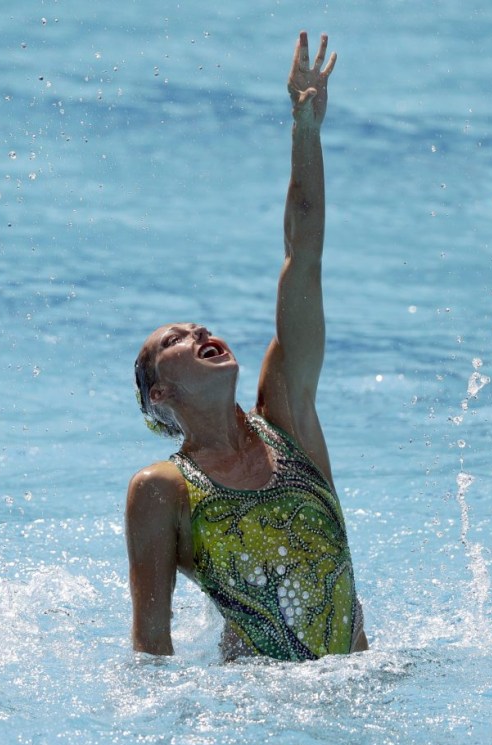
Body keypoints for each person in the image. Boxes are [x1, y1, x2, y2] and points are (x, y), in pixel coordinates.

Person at [127, 32, 368, 661]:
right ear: (163, 392)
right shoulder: (162, 490)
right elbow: (152, 644)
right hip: (258, 709)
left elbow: (303, 256)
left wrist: (306, 129)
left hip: (363, 687)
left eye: (199, 327)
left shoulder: (288, 416)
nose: (201, 332)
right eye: (174, 340)